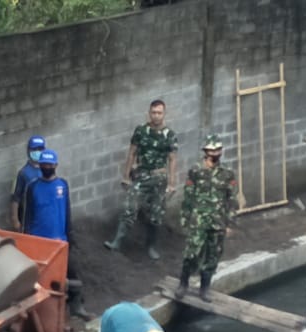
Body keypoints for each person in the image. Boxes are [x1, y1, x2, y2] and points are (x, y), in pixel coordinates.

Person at [21, 149, 92, 320]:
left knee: (72, 274)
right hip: (39, 242)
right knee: (39, 279)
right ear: (40, 165)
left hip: (60, 241)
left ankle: (77, 307)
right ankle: (40, 313)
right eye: (43, 164)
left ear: (56, 165)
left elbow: (67, 212)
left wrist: (70, 235)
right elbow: (27, 214)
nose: (46, 167)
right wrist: (26, 238)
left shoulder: (62, 185)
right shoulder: (32, 187)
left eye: (49, 164)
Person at [104, 100, 178, 260]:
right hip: (142, 175)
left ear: (164, 114)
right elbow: (132, 153)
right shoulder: (141, 131)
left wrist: (172, 183)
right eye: (153, 112)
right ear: (149, 113)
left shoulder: (169, 135)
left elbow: (172, 159)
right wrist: (126, 176)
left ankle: (150, 246)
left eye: (159, 112)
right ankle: (117, 242)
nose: (156, 116)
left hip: (159, 178)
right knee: (129, 207)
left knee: (156, 215)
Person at [177, 134, 239, 302]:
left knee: (213, 255)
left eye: (218, 149)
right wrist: (185, 218)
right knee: (192, 253)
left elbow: (232, 199)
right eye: (212, 150)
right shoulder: (196, 170)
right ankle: (183, 283)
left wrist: (230, 223)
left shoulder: (227, 173)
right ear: (205, 151)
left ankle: (205, 288)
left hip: (218, 222)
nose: (215, 153)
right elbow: (188, 196)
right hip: (198, 220)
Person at [10, 135, 47, 231]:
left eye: (40, 149)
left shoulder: (47, 169)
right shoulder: (23, 173)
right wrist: (15, 220)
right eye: (35, 149)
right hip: (28, 218)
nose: (38, 151)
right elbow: (16, 198)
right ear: (29, 151)